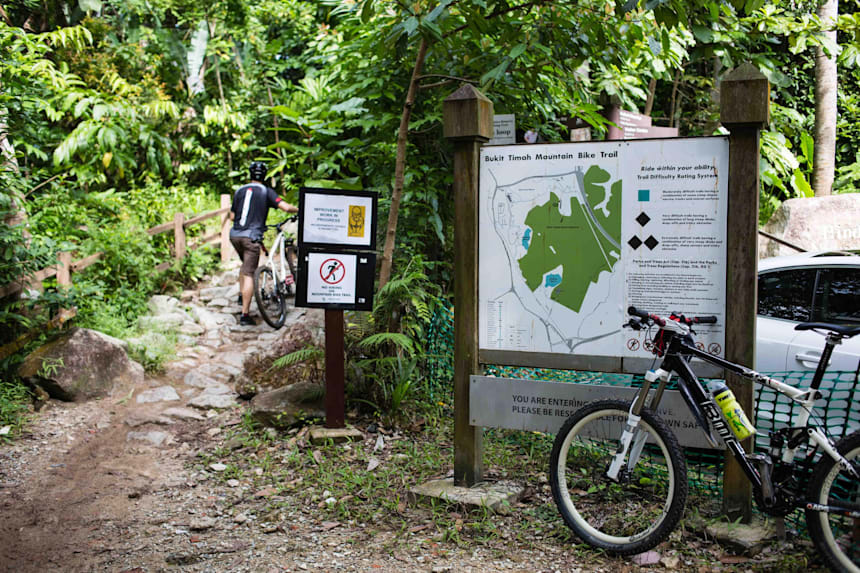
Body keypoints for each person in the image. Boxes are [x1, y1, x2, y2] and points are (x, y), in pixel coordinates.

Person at [229, 161, 298, 325]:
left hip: (235, 235)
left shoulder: (239, 190)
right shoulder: (265, 191)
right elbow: (285, 207)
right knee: (249, 273)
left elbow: (232, 216)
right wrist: (299, 209)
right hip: (251, 236)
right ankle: (245, 315)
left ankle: (241, 295)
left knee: (244, 267)